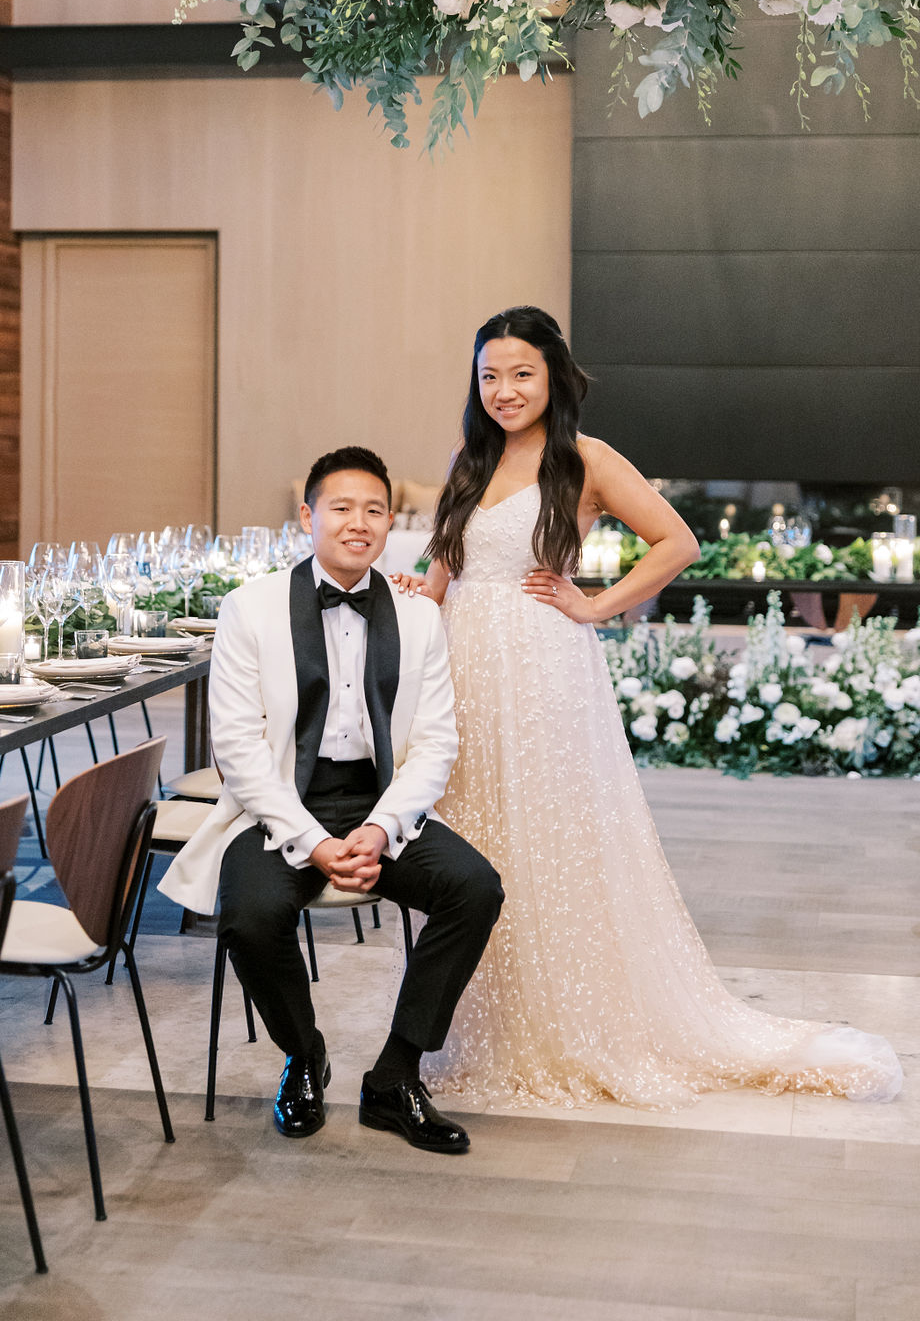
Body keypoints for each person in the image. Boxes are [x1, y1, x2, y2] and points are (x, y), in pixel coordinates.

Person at [393, 307, 901, 1110]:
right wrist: (417, 594)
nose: (504, 391)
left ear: (553, 376)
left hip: (543, 665)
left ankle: (568, 1024)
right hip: (462, 667)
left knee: (552, 840)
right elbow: (448, 564)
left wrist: (597, 606)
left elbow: (677, 542)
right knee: (477, 832)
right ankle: (476, 1023)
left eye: (521, 373)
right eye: (490, 375)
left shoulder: (584, 459)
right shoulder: (470, 457)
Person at [160, 445, 504, 1149]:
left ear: (389, 523)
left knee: (476, 887)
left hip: (378, 804)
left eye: (374, 510)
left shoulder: (418, 618)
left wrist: (378, 831)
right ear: (308, 517)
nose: (359, 523)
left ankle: (396, 1074)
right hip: (280, 803)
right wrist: (314, 843)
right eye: (341, 508)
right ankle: (303, 1053)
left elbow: (436, 744)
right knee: (250, 917)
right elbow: (239, 752)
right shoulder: (249, 609)